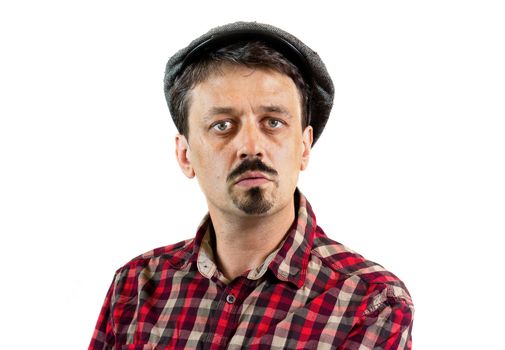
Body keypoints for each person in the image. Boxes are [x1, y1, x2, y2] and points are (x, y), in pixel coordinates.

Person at [89, 22, 414, 349]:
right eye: (222, 125)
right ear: (185, 155)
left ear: (304, 147)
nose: (251, 146)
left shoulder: (370, 303)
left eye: (273, 122)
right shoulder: (135, 287)